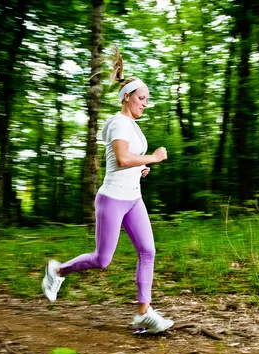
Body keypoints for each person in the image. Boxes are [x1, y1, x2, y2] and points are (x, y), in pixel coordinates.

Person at [41, 46, 174, 334]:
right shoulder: (118, 124)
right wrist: (152, 158)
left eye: (147, 99)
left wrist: (141, 168)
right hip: (112, 198)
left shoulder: (132, 126)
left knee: (148, 251)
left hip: (133, 198)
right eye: (142, 98)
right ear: (127, 97)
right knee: (103, 260)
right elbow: (123, 158)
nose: (146, 103)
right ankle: (58, 271)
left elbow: (124, 162)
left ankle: (143, 314)